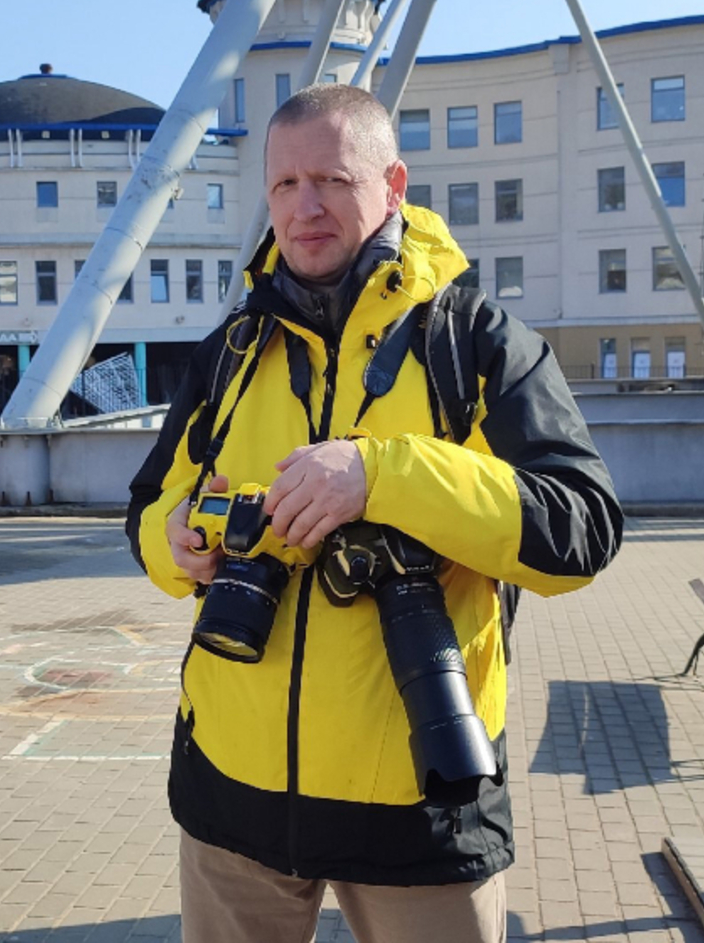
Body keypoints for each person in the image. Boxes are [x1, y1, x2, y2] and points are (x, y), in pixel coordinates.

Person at [126, 83, 622, 943]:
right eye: (284, 185)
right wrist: (174, 541)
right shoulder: (231, 351)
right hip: (230, 796)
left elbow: (579, 528)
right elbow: (146, 505)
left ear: (392, 185)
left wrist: (382, 475)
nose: (304, 207)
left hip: (417, 800)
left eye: (332, 179)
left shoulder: (474, 341)